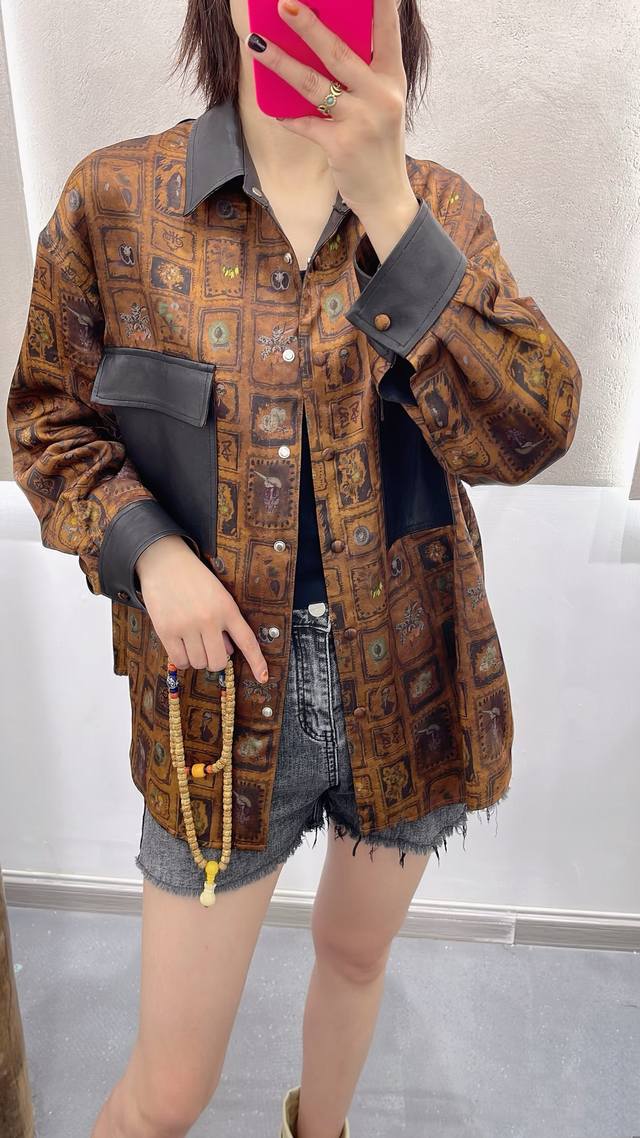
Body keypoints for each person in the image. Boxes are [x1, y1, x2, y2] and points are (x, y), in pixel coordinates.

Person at [6, 0, 582, 1135]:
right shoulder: (115, 202)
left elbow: (529, 430)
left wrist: (390, 207)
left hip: (407, 677)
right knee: (167, 1092)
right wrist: (148, 551)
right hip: (216, 702)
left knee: (355, 958)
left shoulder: (437, 208)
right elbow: (47, 423)